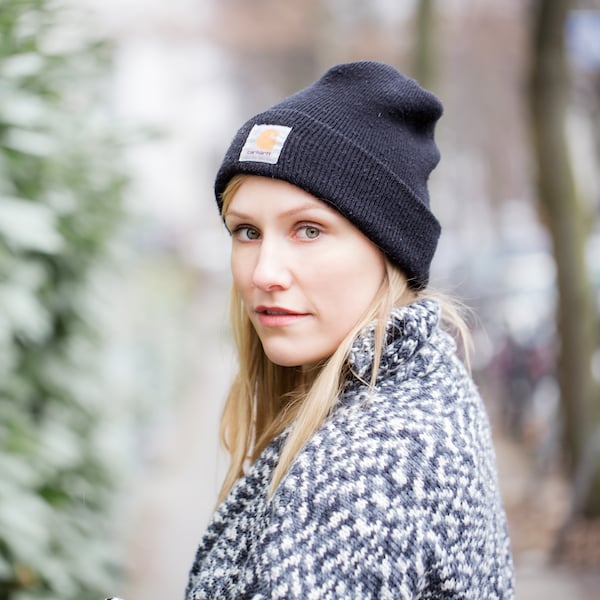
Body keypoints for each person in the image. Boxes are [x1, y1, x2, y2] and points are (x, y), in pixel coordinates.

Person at [186, 61, 514, 599]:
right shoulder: (426, 381)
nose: (264, 273)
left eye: (308, 230)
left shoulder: (361, 468)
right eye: (246, 231)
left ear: (388, 249)